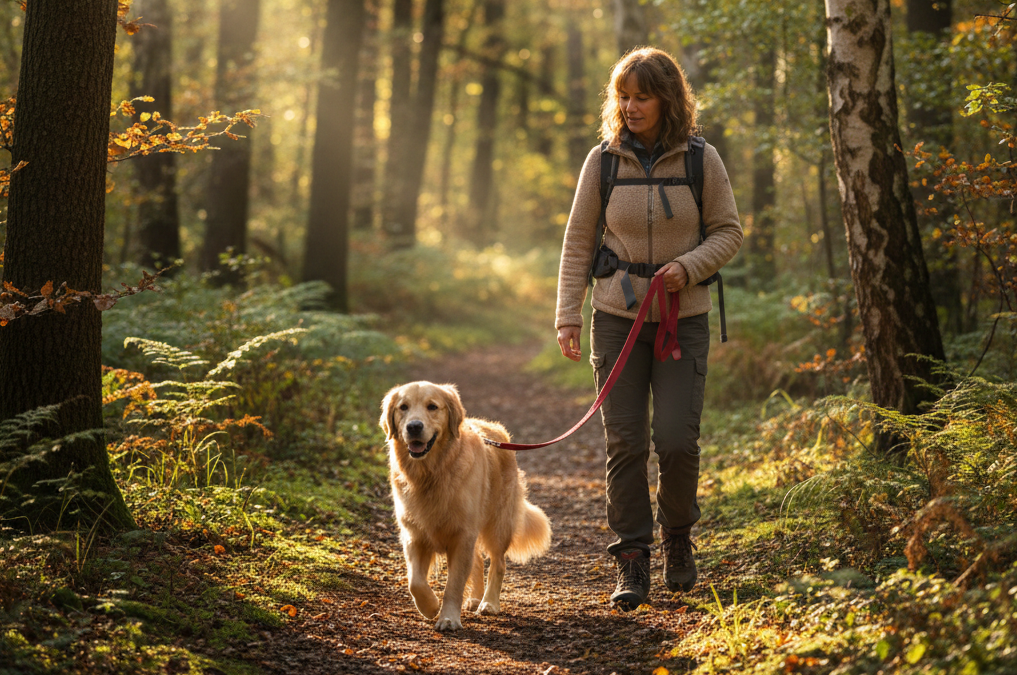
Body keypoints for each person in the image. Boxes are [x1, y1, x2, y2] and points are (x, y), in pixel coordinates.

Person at [555, 47, 743, 609]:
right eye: (624, 96)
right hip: (616, 318)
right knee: (627, 442)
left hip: (681, 322)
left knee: (677, 442)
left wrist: (689, 266)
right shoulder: (603, 161)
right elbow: (578, 242)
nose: (631, 106)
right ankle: (633, 559)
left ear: (668, 98)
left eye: (642, 95)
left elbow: (729, 233)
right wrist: (567, 312)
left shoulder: (701, 160)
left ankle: (679, 540)